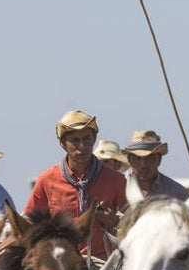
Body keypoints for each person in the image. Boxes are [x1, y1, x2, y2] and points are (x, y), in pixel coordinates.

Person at [24, 110, 126, 257]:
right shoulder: (47, 179)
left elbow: (136, 224)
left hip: (104, 265)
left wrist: (114, 220)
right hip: (60, 264)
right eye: (75, 141)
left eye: (87, 139)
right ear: (63, 144)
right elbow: (28, 222)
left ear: (94, 139)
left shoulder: (116, 180)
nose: (82, 146)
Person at [123, 130, 189, 203]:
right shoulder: (115, 187)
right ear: (129, 160)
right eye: (138, 158)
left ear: (159, 160)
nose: (143, 165)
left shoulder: (176, 193)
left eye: (149, 158)